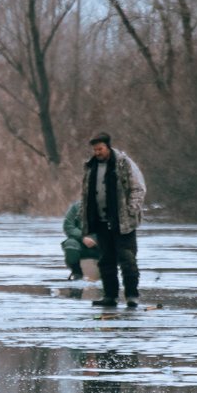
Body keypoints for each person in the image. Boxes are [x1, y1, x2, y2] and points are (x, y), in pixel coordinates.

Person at [80, 132, 146, 308]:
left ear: (108, 147)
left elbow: (138, 189)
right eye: (95, 150)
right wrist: (85, 217)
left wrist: (131, 210)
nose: (97, 153)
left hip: (123, 222)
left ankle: (132, 295)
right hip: (101, 221)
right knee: (106, 261)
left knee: (127, 260)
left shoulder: (124, 163)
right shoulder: (90, 167)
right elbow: (86, 196)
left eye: (100, 149)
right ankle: (110, 296)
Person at [61, 200, 100, 280]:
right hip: (80, 243)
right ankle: (76, 272)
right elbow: (68, 226)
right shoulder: (77, 207)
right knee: (70, 244)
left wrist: (96, 240)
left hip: (102, 245)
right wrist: (83, 237)